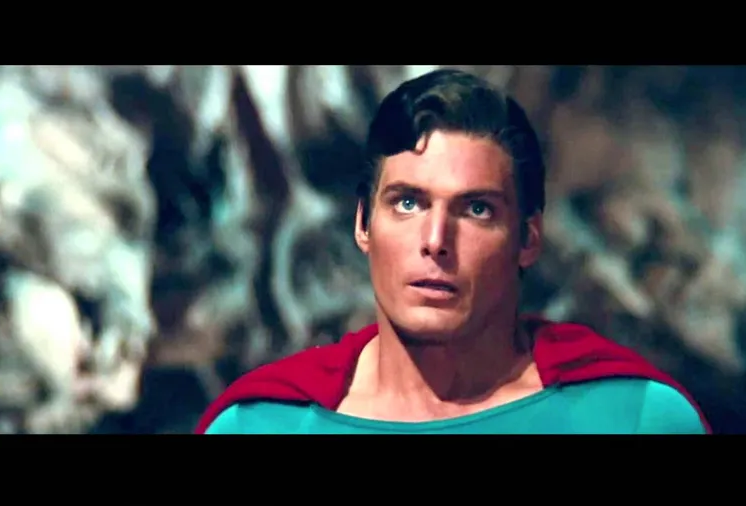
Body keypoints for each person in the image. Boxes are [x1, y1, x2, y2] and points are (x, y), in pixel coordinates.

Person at [195, 69, 711, 434]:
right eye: (407, 203)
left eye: (477, 210)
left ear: (528, 239)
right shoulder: (260, 424)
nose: (436, 240)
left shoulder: (635, 416)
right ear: (363, 224)